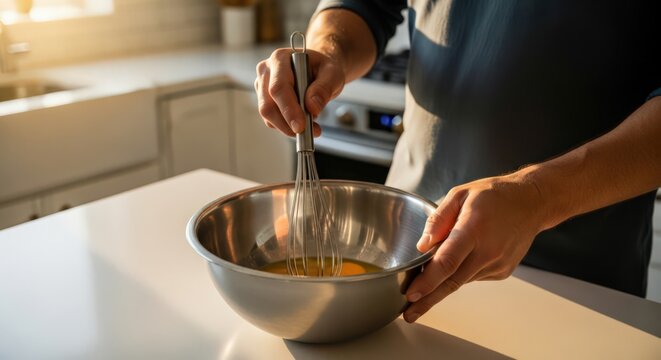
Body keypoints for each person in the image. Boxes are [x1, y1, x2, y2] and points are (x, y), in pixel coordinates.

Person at [254, 1, 661, 323]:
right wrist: (327, 51)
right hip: (403, 265)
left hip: (577, 286)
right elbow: (363, 7)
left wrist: (538, 195)